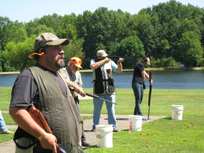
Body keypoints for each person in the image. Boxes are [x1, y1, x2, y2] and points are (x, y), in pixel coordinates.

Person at [9, 32, 84, 153]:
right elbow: (16, 111)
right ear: (42, 53)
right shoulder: (29, 76)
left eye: (61, 48)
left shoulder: (58, 76)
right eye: (56, 48)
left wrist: (78, 140)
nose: (62, 51)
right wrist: (42, 135)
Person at [59, 57, 91, 147]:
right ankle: (67, 141)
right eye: (75, 66)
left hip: (74, 99)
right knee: (65, 120)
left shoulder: (78, 74)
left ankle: (82, 139)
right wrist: (73, 85)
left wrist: (81, 91)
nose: (76, 69)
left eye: (78, 67)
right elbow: (63, 80)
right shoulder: (62, 71)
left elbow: (80, 85)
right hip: (64, 99)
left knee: (78, 119)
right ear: (70, 64)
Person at [90, 50, 124, 132]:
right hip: (98, 89)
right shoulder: (93, 61)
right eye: (104, 57)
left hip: (110, 89)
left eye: (106, 57)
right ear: (99, 57)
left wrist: (119, 63)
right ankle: (96, 125)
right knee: (97, 109)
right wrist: (104, 61)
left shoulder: (110, 62)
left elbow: (119, 71)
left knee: (111, 109)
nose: (106, 58)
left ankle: (113, 126)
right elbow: (93, 66)